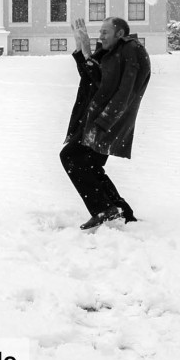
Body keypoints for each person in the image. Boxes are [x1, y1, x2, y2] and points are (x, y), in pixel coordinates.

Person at [61, 17, 151, 230]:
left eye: (105, 32)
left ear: (119, 33)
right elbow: (92, 78)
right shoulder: (113, 52)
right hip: (100, 119)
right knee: (89, 165)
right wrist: (82, 49)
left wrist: (105, 122)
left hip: (108, 121)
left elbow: (125, 91)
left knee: (72, 157)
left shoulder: (131, 50)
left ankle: (104, 209)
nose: (100, 36)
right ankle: (122, 212)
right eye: (100, 32)